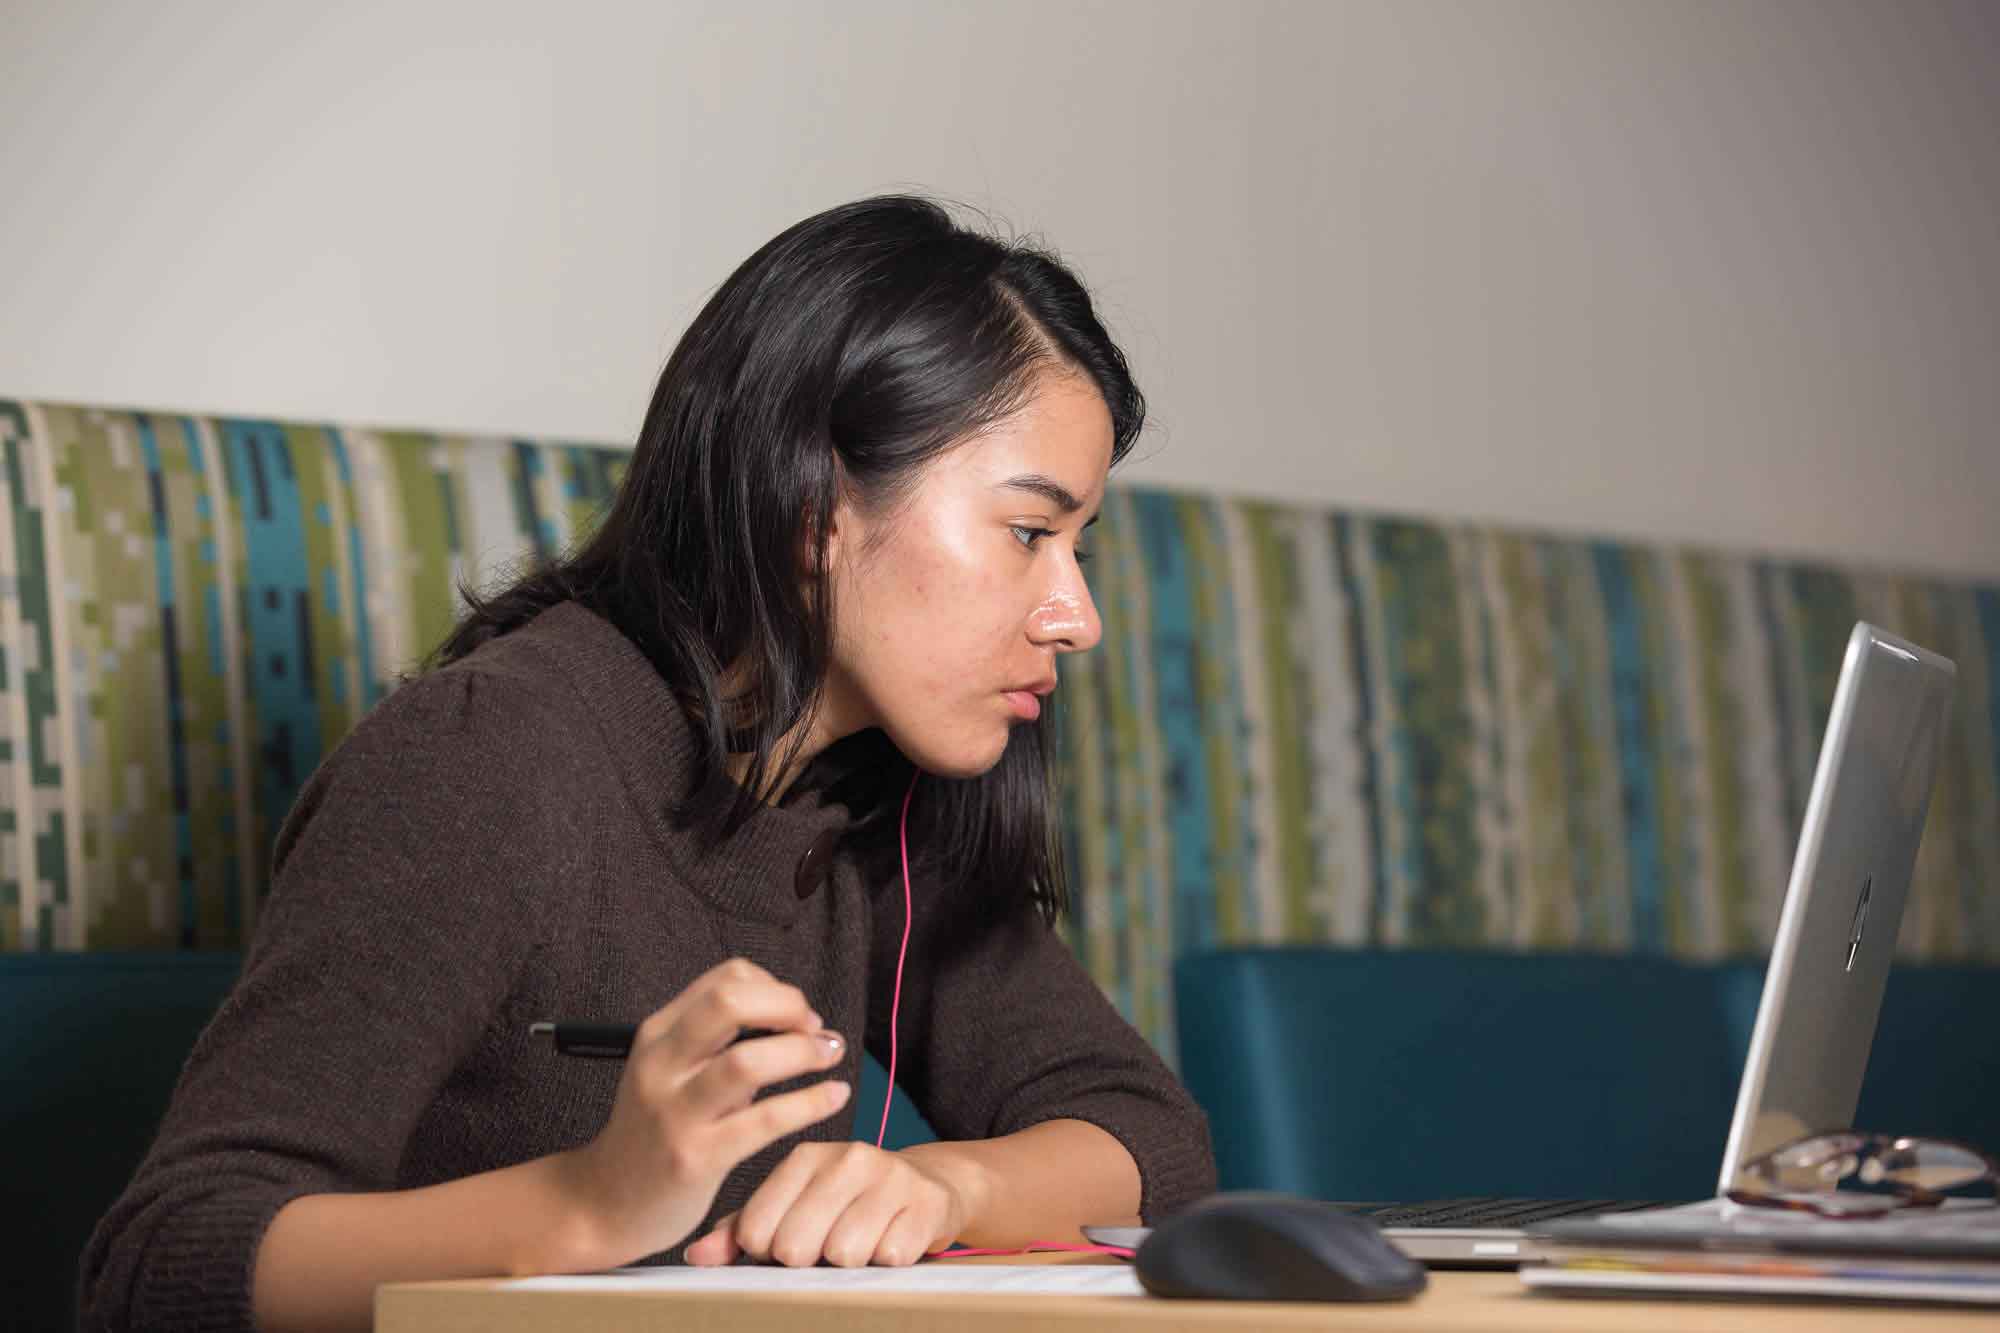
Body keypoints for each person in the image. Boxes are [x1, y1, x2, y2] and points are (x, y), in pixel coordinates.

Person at [79, 195, 1217, 1333]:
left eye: (1081, 546)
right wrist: (584, 1202)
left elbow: (1146, 1134)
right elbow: (163, 1257)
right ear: (814, 506)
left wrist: (945, 1182)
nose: (1076, 614)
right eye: (1028, 533)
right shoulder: (490, 754)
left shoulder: (866, 788)